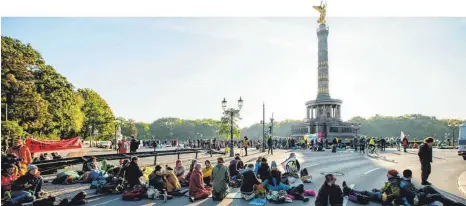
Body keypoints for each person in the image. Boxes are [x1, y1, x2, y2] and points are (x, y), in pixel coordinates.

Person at [400, 169, 465, 206]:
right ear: (410, 176)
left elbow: (413, 191)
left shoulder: (403, 181)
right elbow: (415, 195)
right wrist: (425, 194)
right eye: (411, 176)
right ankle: (453, 204)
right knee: (437, 196)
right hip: (416, 200)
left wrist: (422, 191)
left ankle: (445, 201)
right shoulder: (406, 184)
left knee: (428, 187)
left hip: (416, 195)